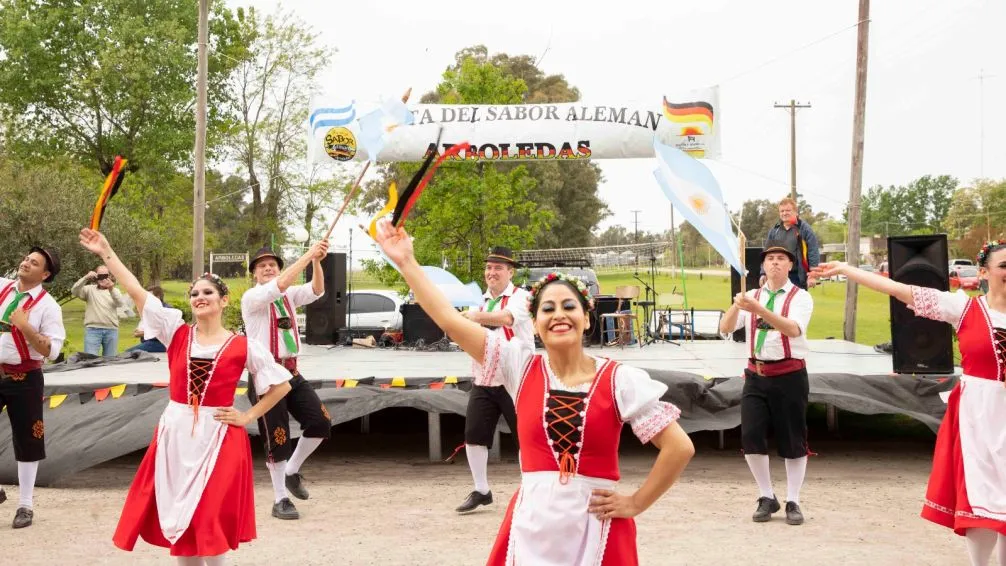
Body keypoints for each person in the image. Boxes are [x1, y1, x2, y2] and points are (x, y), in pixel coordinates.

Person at [373, 219, 694, 565]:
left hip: (595, 525)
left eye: (569, 306)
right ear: (537, 324)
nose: (559, 315)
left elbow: (679, 447)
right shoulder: (520, 368)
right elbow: (450, 320)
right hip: (532, 523)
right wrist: (406, 262)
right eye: (548, 308)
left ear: (587, 318)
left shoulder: (620, 379)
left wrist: (635, 502)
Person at [78, 228, 293, 565]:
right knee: (181, 513)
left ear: (225, 301)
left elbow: (282, 385)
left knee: (210, 513)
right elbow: (135, 290)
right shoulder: (174, 330)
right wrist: (106, 251)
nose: (199, 297)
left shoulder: (243, 345)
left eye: (207, 292)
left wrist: (248, 416)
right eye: (194, 293)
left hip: (220, 435)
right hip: (176, 433)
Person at [812, 240, 1006, 566]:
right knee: (982, 497)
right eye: (1004, 265)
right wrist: (847, 270)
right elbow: (901, 290)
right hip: (979, 416)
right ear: (984, 272)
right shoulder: (965, 308)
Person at [719, 241, 814, 526]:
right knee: (751, 437)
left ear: (790, 265)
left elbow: (793, 329)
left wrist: (759, 308)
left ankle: (793, 500)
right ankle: (767, 496)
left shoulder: (800, 297)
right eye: (770, 258)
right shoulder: (751, 295)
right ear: (763, 266)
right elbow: (725, 328)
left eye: (780, 259)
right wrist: (737, 306)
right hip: (755, 375)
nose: (774, 262)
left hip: (789, 375)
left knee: (793, 439)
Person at [241, 243, 331, 520]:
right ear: (254, 274)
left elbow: (317, 291)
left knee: (320, 422)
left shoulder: (288, 294)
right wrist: (307, 255)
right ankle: (280, 499)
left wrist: (316, 261)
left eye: (273, 265)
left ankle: (292, 470)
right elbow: (279, 285)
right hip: (267, 375)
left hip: (291, 371)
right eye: (262, 266)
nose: (268, 268)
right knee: (277, 436)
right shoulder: (253, 296)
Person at [455, 246, 533, 514]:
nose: (491, 273)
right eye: (488, 268)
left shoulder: (522, 297)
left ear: (510, 272)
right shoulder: (480, 302)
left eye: (498, 268)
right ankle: (481, 490)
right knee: (474, 435)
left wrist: (475, 318)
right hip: (485, 376)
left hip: (516, 379)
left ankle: (531, 490)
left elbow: (507, 319)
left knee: (525, 436)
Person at [0, 246, 65, 529]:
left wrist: (25, 327)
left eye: (34, 262)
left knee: (29, 438)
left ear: (45, 274)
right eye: (27, 258)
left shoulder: (49, 307)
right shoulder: (2, 288)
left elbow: (52, 351)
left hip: (25, 378)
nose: (26, 262)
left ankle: (25, 505)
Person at [762, 197, 820, 289]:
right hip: (778, 276)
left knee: (797, 302)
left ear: (796, 212)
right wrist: (763, 273)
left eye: (788, 210)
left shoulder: (805, 229)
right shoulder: (774, 231)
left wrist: (813, 275)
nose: (784, 213)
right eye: (782, 211)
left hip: (798, 277)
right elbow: (766, 253)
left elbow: (813, 252)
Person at [71, 264, 124, 357]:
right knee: (90, 362)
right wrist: (85, 278)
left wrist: (111, 289)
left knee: (110, 362)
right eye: (100, 276)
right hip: (92, 330)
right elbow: (74, 291)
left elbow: (120, 303)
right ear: (96, 276)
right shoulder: (89, 290)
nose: (103, 279)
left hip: (111, 330)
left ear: (109, 276)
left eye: (105, 276)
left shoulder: (115, 291)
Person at [125, 285, 169, 354]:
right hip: (150, 343)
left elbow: (167, 332)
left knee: (127, 354)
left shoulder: (165, 310)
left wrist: (144, 333)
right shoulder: (151, 309)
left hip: (160, 344)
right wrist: (139, 330)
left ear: (157, 297)